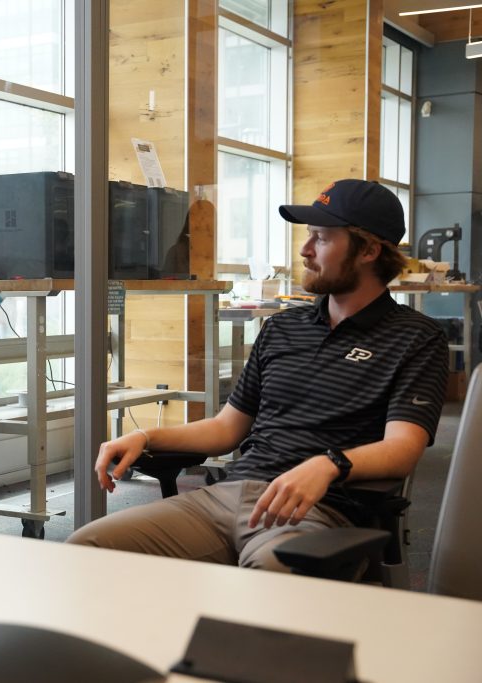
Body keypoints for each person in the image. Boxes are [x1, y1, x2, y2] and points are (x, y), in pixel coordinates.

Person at [68, 179, 449, 571]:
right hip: (226, 496)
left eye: (320, 238)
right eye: (307, 236)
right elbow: (226, 429)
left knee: (265, 585)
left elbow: (402, 449)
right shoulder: (283, 327)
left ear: (369, 250)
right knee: (86, 548)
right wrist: (146, 435)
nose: (304, 250)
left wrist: (328, 464)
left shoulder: (415, 338)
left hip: (314, 510)